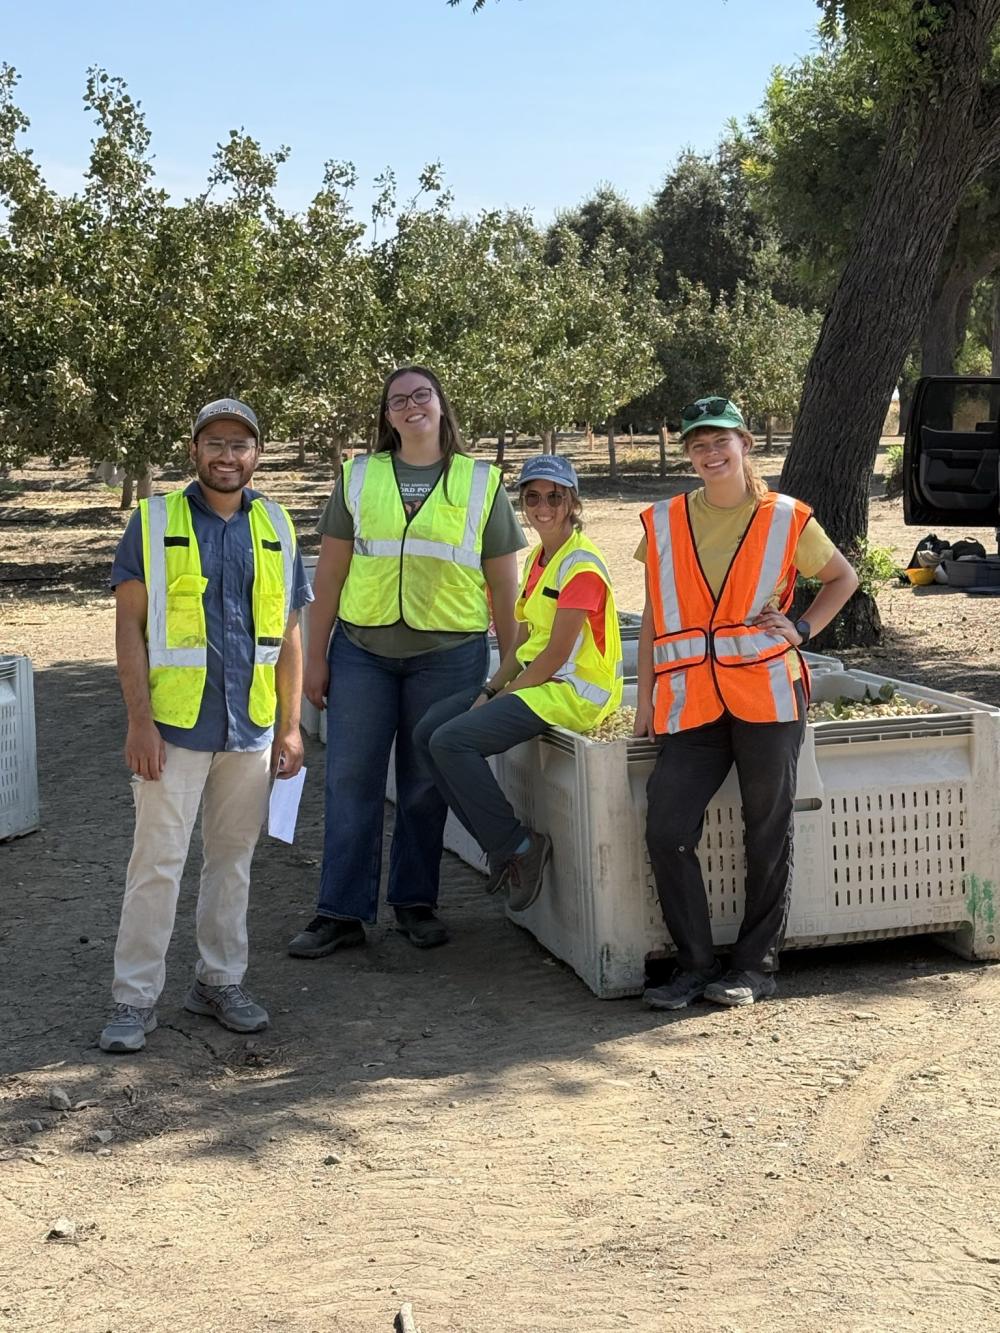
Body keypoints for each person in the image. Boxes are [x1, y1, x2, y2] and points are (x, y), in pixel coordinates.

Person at [288, 366, 524, 958]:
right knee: (349, 780)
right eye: (398, 400)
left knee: (424, 784)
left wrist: (512, 661)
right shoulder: (359, 477)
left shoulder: (481, 483)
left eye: (422, 395)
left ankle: (415, 904)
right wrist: (315, 656)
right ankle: (340, 911)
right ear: (387, 416)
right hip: (362, 653)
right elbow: (332, 573)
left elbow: (504, 586)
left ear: (442, 406)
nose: (411, 406)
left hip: (448, 657)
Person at [100, 398, 312, 1054]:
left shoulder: (277, 524)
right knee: (156, 864)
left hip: (248, 728)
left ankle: (219, 980)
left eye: (241, 444)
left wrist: (290, 726)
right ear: (194, 451)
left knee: (232, 863)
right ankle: (134, 999)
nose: (228, 455)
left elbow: (291, 634)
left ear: (258, 455)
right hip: (171, 728)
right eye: (215, 443)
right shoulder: (155, 519)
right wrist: (139, 722)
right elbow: (129, 629)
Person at [636, 396, 858, 1010]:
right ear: (689, 452)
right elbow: (657, 613)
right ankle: (695, 966)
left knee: (768, 830)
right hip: (690, 700)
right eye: (698, 445)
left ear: (745, 445)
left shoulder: (786, 517)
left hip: (767, 693)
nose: (710, 454)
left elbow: (844, 578)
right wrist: (646, 697)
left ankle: (755, 967)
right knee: (667, 828)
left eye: (721, 442)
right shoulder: (663, 520)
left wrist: (803, 629)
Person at [413, 454, 623, 910]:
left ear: (572, 502)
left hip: (573, 691)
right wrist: (490, 689)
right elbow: (524, 643)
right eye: (532, 497)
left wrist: (501, 698)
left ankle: (519, 847)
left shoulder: (581, 566)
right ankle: (502, 846)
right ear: (522, 503)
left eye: (554, 497)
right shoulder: (540, 560)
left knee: (452, 742)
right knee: (427, 731)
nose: (543, 506)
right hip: (539, 681)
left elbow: (555, 654)